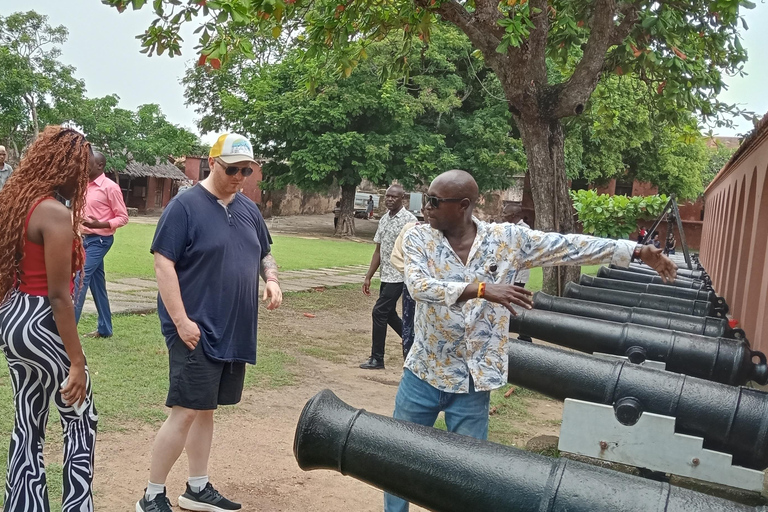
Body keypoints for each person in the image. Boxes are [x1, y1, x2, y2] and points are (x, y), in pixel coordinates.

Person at [386, 169, 676, 512]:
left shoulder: (506, 239)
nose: (426, 207)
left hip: (474, 381)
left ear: (463, 206)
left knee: (469, 474)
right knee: (396, 457)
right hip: (424, 372)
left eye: (434, 201)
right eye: (427, 199)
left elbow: (568, 246)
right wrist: (481, 288)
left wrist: (636, 251)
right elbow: (419, 287)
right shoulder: (419, 239)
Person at [137, 133, 283, 512]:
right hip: (194, 329)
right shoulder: (184, 206)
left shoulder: (249, 209)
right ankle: (152, 495)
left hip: (232, 327)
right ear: (211, 163)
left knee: (206, 409)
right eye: (231, 169)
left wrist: (272, 279)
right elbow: (162, 263)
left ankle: (196, 488)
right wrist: (181, 320)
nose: (239, 176)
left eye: (245, 170)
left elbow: (265, 252)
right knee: (184, 410)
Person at [0, 127, 98, 511]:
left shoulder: (15, 203)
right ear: (66, 166)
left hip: (12, 317)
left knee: (28, 417)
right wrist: (76, 360)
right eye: (82, 170)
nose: (86, 178)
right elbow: (59, 296)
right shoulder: (55, 214)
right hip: (42, 320)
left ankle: (24, 504)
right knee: (80, 418)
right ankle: (78, 505)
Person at [360, 184, 417, 369]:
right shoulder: (384, 219)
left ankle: (377, 358)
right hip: (386, 275)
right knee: (389, 313)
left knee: (379, 312)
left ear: (403, 199)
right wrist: (369, 276)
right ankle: (415, 344)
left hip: (400, 275)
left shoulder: (409, 221)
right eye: (388, 196)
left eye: (394, 197)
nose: (390, 199)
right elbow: (378, 250)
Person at [73, 151, 129, 338]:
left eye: (88, 163)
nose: (84, 166)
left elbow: (122, 217)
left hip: (100, 240)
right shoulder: (83, 186)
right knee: (97, 285)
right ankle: (105, 329)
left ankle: (67, 332)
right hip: (84, 239)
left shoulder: (110, 187)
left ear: (100, 165)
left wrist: (100, 224)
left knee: (80, 279)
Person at [389, 206, 426, 359]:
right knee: (410, 328)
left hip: (440, 294)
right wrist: (416, 276)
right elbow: (396, 257)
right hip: (413, 288)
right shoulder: (411, 230)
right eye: (428, 205)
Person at [501, 202, 532, 343]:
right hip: (509, 273)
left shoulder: (524, 230)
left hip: (519, 274)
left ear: (513, 216)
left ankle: (524, 334)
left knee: (516, 303)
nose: (502, 217)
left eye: (504, 214)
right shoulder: (508, 228)